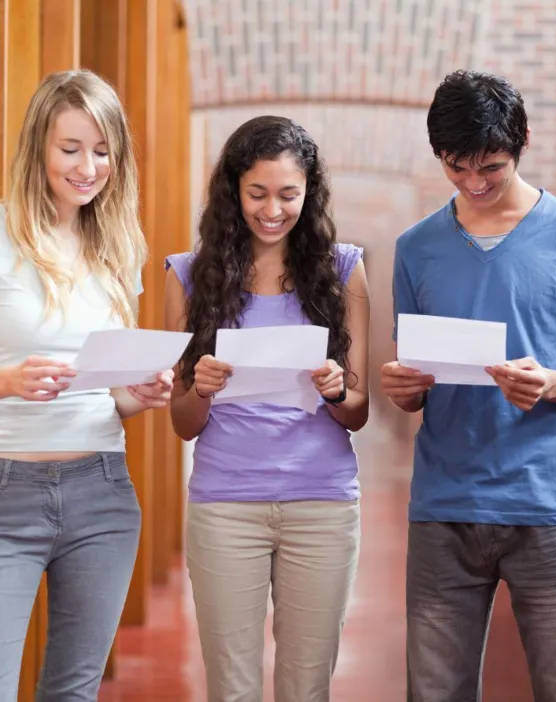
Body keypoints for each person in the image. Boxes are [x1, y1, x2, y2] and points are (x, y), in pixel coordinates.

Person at [0, 70, 173, 702]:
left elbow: (107, 391)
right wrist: (8, 379)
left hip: (102, 494)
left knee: (72, 692)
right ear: (38, 145)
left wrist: (137, 395)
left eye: (102, 151)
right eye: (71, 149)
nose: (88, 167)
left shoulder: (121, 249)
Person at [382, 69, 556, 702]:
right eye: (456, 167)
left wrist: (553, 382)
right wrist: (405, 387)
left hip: (548, 502)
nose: (475, 183)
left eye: (491, 165)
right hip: (444, 504)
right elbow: (418, 383)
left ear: (523, 142)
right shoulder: (417, 248)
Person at [163, 115, 371, 702]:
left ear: (310, 193)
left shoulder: (344, 273)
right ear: (233, 190)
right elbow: (181, 426)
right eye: (257, 193)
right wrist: (199, 387)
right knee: (231, 688)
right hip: (226, 506)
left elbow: (358, 412)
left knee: (307, 688)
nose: (272, 209)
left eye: (289, 195)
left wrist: (335, 388)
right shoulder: (189, 276)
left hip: (322, 504)